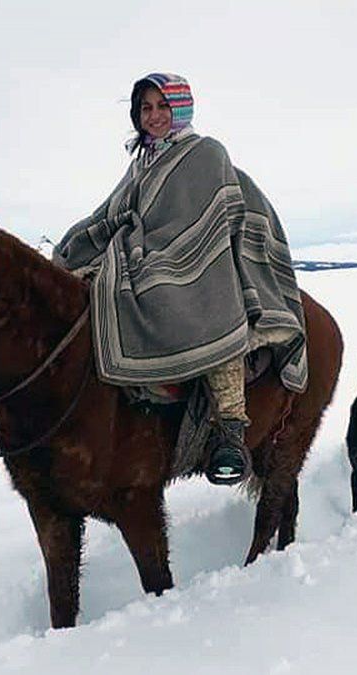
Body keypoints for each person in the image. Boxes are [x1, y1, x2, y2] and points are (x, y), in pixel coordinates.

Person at [53, 72, 308, 485]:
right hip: (148, 251)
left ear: (181, 108)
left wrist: (163, 254)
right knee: (94, 287)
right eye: (145, 108)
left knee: (212, 315)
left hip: (205, 259)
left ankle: (230, 432)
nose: (153, 116)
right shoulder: (143, 162)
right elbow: (118, 211)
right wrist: (85, 242)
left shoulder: (205, 153)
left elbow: (205, 217)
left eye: (162, 106)